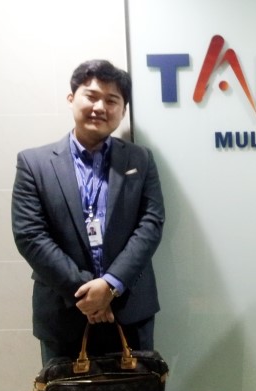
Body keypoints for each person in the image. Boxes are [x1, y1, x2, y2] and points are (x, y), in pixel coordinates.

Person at [11, 60, 165, 365]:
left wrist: (110, 285)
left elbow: (151, 223)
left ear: (123, 110)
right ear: (72, 98)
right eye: (91, 96)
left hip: (129, 310)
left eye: (112, 100)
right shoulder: (34, 163)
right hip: (63, 313)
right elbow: (30, 235)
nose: (100, 107)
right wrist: (86, 294)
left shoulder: (140, 159)